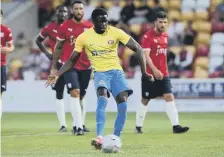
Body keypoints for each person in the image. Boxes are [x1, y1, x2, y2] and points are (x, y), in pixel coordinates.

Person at [46, 8, 153, 149]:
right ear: (94, 22)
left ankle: (115, 139)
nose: (104, 23)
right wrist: (58, 74)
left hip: (116, 73)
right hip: (100, 73)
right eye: (101, 21)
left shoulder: (116, 32)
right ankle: (100, 138)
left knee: (123, 105)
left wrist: (145, 72)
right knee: (102, 99)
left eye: (106, 20)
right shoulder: (84, 37)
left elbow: (138, 48)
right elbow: (72, 60)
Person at [135, 11, 189, 134]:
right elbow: (145, 56)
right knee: (145, 99)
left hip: (164, 74)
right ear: (155, 22)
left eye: (165, 22)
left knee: (169, 96)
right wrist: (154, 70)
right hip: (150, 75)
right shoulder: (148, 37)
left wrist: (163, 70)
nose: (163, 24)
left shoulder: (165, 35)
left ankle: (176, 126)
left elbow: (162, 55)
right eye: (160, 22)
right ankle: (138, 126)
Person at [51, 0, 93, 135]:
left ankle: (77, 124)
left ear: (84, 10)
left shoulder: (90, 27)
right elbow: (58, 47)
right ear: (72, 10)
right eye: (76, 9)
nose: (78, 11)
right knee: (74, 92)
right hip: (69, 65)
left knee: (81, 96)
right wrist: (54, 67)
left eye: (81, 8)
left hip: (86, 66)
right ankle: (79, 127)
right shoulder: (65, 26)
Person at [36, 5, 68, 132]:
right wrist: (47, 53)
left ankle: (80, 124)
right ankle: (63, 125)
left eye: (65, 11)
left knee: (78, 93)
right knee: (59, 93)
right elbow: (38, 41)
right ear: (57, 13)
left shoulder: (72, 27)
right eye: (61, 11)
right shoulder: (50, 28)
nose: (63, 14)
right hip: (57, 64)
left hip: (72, 63)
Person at [0, 9, 15, 118]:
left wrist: (6, 49)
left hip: (1, 64)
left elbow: (11, 47)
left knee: (0, 93)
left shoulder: (6, 30)